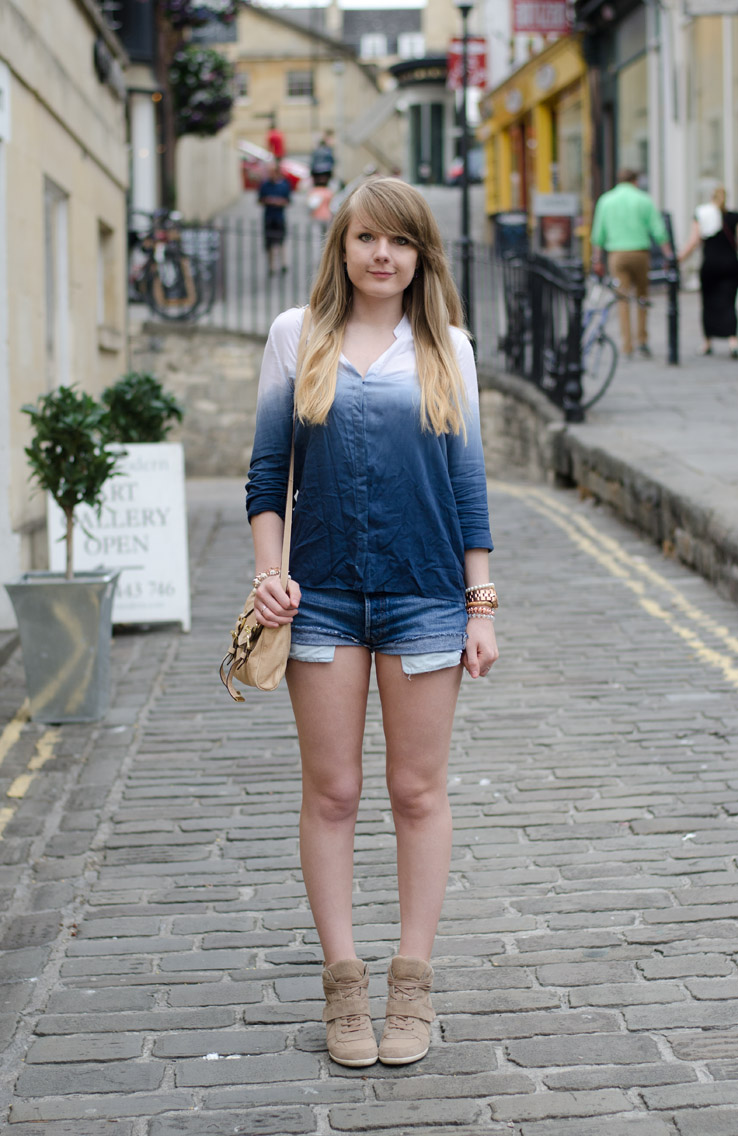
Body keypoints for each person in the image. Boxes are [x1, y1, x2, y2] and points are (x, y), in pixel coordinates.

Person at [245, 177, 498, 1069]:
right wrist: (268, 575)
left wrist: (480, 603)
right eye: (365, 239)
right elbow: (267, 473)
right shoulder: (295, 336)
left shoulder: (448, 348)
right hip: (320, 598)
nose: (381, 255)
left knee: (417, 793)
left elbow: (467, 485)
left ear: (422, 254)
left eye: (399, 241)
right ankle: (343, 983)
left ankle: (412, 981)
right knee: (335, 793)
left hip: (425, 596)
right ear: (342, 248)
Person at [591, 169, 674, 359]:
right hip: (640, 253)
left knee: (622, 299)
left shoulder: (606, 200)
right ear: (635, 181)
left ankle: (626, 345)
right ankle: (642, 341)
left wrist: (596, 259)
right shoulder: (643, 199)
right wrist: (668, 255)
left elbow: (598, 234)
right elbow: (658, 229)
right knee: (642, 297)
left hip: (617, 254)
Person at [678, 186, 738, 358]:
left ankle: (707, 342)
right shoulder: (733, 217)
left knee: (709, 303)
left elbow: (694, 241)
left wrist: (679, 259)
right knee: (728, 303)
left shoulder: (701, 214)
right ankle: (733, 341)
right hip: (730, 264)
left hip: (710, 264)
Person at [258, 161, 292, 275]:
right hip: (269, 217)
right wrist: (268, 200)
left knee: (281, 241)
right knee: (269, 243)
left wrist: (278, 202)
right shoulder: (264, 184)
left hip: (279, 217)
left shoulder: (284, 185)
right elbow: (260, 200)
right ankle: (271, 266)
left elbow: (288, 201)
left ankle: (283, 264)